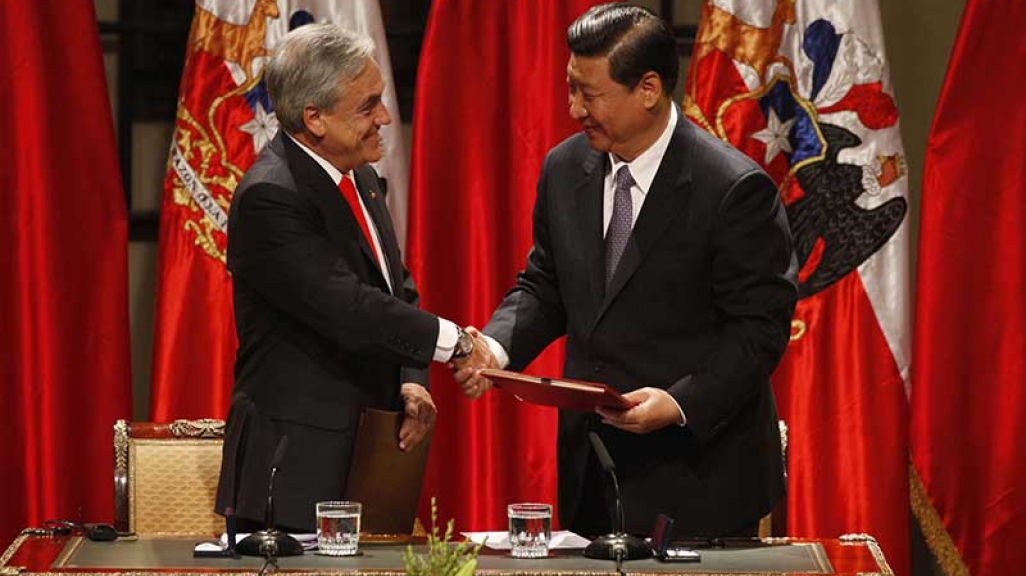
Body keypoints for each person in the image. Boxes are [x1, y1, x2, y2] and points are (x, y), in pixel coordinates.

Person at [458, 3, 798, 538]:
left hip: (697, 480)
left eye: (589, 94)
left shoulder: (732, 190)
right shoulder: (564, 168)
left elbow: (759, 332)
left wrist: (679, 402)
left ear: (648, 88)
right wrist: (494, 349)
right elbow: (546, 286)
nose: (573, 109)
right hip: (592, 475)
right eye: (570, 88)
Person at [214, 23, 491, 533]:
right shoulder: (270, 197)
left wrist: (413, 381)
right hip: (296, 466)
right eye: (368, 106)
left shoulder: (359, 173)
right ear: (314, 117)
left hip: (373, 453)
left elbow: (395, 289)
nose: (385, 118)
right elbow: (348, 308)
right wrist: (454, 343)